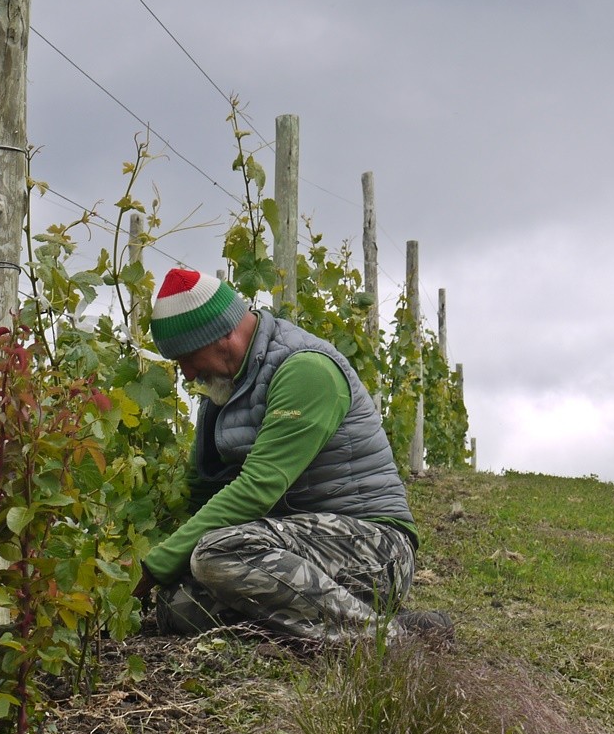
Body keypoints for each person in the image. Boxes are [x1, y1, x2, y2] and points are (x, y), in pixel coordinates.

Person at [132, 267, 448, 647]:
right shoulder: (223, 389)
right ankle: (345, 625)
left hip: (373, 549)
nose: (186, 373)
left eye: (187, 357)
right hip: (287, 551)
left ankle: (388, 639)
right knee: (179, 606)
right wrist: (168, 575)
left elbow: (257, 489)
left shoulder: (304, 369)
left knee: (218, 554)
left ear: (222, 336)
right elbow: (202, 490)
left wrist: (154, 567)